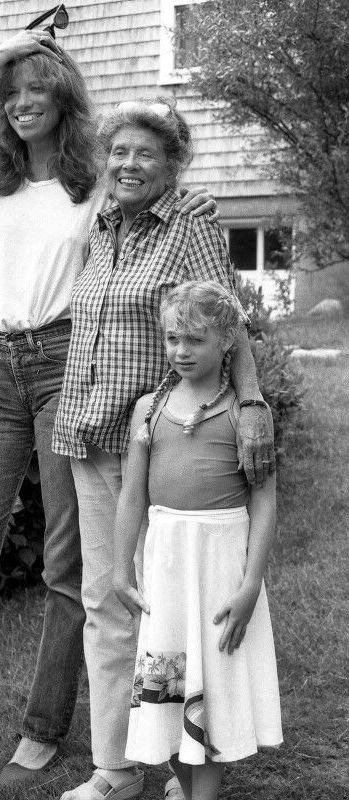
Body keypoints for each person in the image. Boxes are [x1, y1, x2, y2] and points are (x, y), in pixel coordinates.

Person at [0, 31, 217, 800]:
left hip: (65, 368)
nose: (21, 103)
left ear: (64, 101)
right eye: (10, 93)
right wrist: (3, 54)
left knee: (68, 568)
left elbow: (164, 205)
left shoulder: (94, 187)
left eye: (37, 90)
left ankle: (43, 730)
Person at [52, 102, 276, 800]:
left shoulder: (192, 222)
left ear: (173, 163)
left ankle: (185, 754)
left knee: (167, 614)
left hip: (157, 444)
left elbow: (225, 321)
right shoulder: (102, 224)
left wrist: (248, 406)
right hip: (90, 438)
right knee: (109, 605)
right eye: (116, 151)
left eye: (143, 153)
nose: (125, 163)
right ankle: (118, 766)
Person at [113, 280, 283, 800]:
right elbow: (131, 499)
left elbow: (264, 501)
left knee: (209, 689)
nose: (181, 352)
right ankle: (185, 785)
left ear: (227, 340)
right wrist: (121, 571)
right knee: (165, 688)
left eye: (195, 340)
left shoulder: (245, 416)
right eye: (172, 340)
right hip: (166, 565)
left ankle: (201, 794)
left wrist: (250, 584)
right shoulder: (149, 410)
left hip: (218, 569)